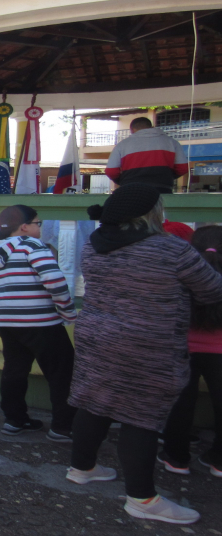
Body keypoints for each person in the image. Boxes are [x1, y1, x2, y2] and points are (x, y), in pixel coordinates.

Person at [67, 183, 222, 525]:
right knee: (141, 416)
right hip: (148, 343)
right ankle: (142, 498)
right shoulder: (171, 250)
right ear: (154, 214)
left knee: (94, 402)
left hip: (96, 338)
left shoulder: (94, 247)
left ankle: (83, 467)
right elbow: (212, 291)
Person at [0, 205, 77, 442]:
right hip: (41, 322)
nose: (40, 227)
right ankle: (63, 426)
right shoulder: (33, 246)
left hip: (6, 322)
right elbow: (54, 281)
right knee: (61, 373)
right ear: (25, 227)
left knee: (15, 370)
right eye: (39, 223)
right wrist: (68, 313)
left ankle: (15, 419)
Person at [159, 225, 222, 477]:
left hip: (183, 348)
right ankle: (219, 461)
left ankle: (176, 458)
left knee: (180, 404)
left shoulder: (183, 272)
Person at [105, 117, 188, 194]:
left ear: (132, 130)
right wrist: (166, 177)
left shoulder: (122, 145)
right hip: (162, 189)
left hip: (131, 189)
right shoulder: (172, 142)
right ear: (151, 127)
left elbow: (111, 171)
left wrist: (122, 181)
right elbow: (182, 168)